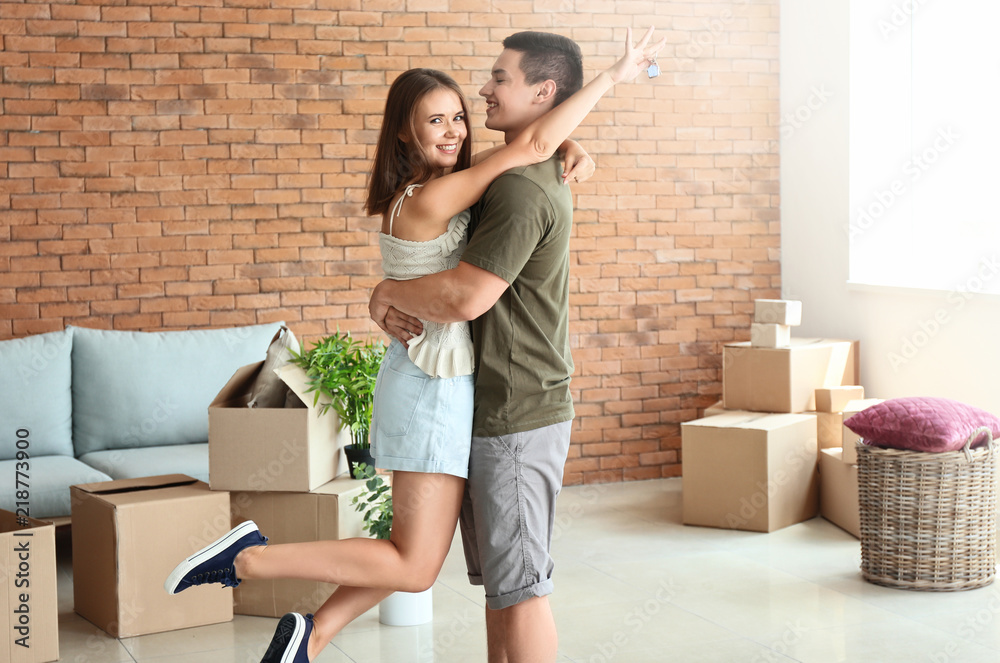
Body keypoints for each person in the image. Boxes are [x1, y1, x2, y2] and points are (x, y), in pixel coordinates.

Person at [164, 28, 663, 663]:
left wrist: (570, 143)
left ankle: (308, 635)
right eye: (437, 120)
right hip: (434, 386)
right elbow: (474, 270)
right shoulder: (434, 195)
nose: (457, 126)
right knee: (419, 562)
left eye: (462, 113)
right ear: (405, 133)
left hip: (447, 385)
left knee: (429, 561)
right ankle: (251, 558)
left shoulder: (471, 185)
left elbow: (533, 146)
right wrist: (613, 79)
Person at [368, 28, 665, 663]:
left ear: (544, 91)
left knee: (522, 590)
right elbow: (536, 141)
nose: (482, 91)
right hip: (491, 405)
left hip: (517, 411)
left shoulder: (519, 188)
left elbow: (467, 299)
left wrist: (387, 292)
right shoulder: (499, 177)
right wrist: (384, 293)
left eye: (499, 78)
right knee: (504, 590)